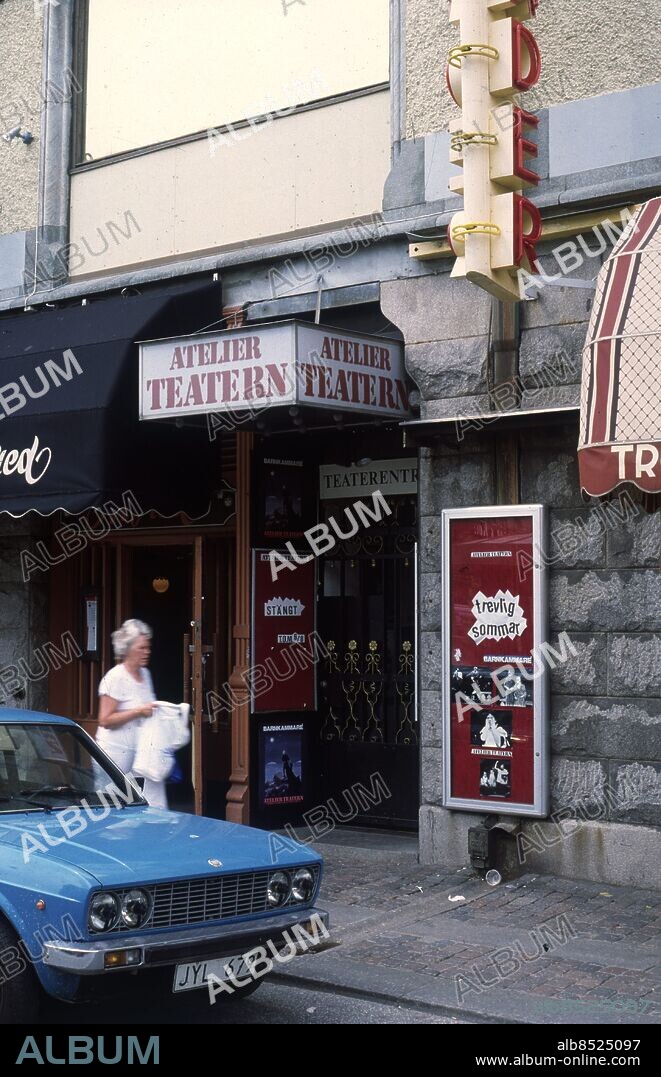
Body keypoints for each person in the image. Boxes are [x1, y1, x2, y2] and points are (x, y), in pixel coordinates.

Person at [97, 619, 167, 809]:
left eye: (148, 647)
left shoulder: (145, 675)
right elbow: (105, 719)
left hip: (139, 756)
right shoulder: (115, 677)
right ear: (127, 649)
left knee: (138, 809)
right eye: (141, 648)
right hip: (114, 758)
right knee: (112, 810)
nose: (147, 652)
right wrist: (138, 711)